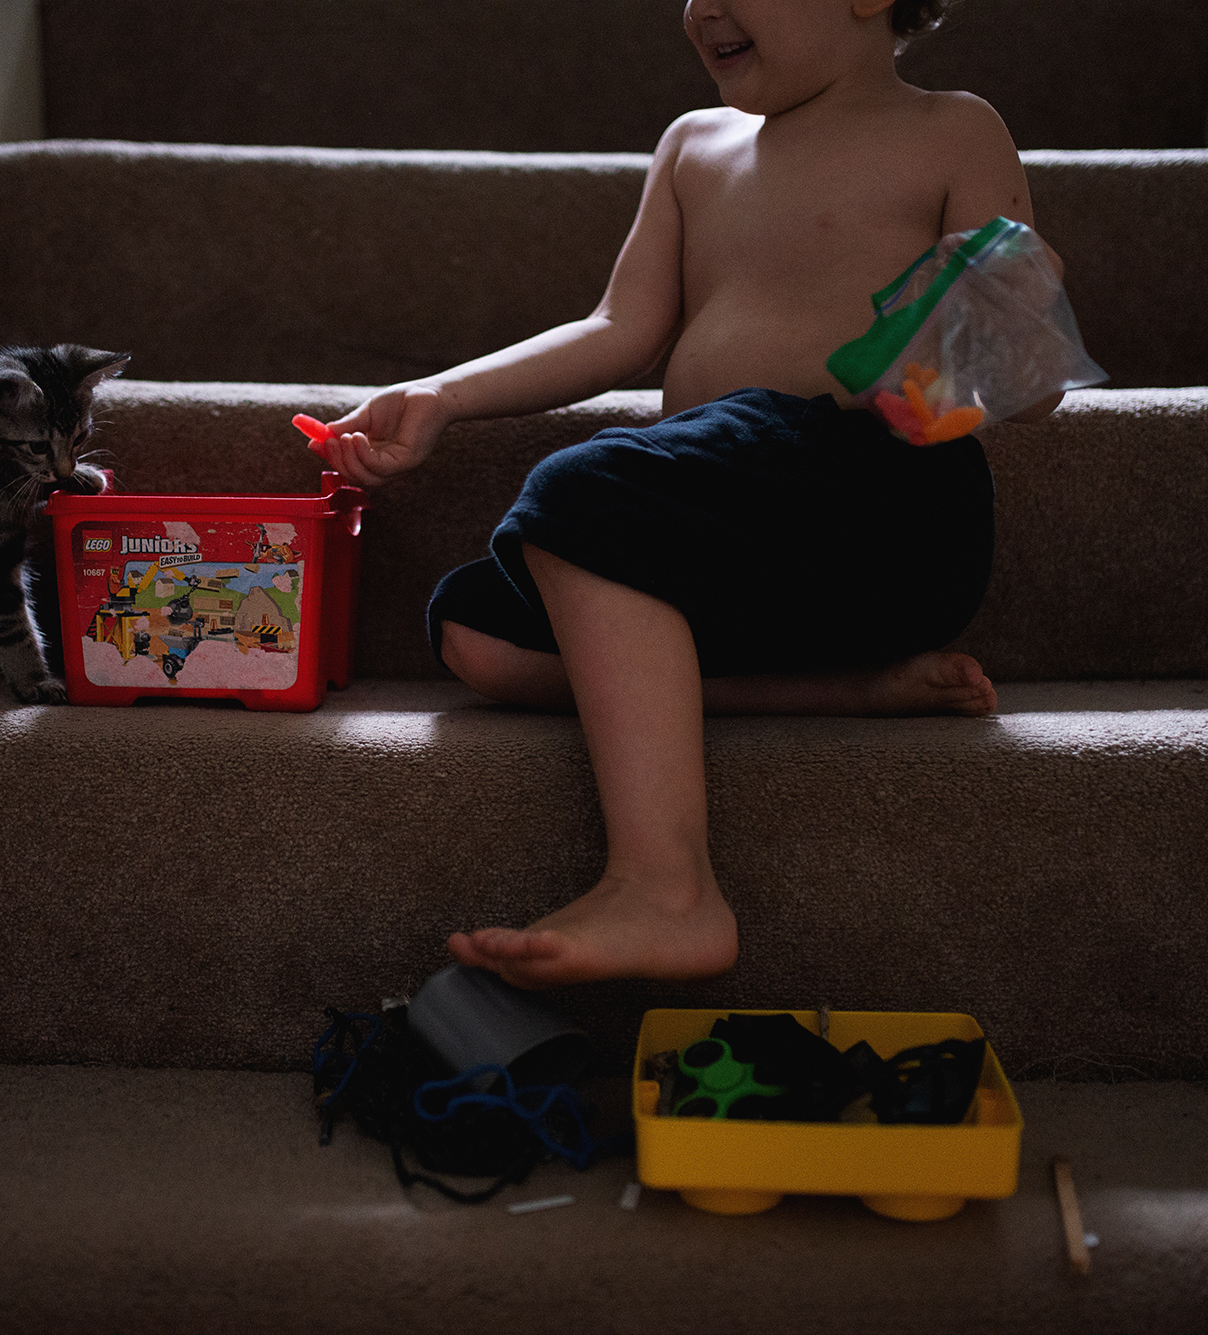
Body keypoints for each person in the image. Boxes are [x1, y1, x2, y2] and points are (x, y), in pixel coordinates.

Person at [315, 0, 1063, 988]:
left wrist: (1003, 316)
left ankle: (666, 887)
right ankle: (837, 693)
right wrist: (444, 396)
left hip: (876, 500)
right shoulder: (692, 145)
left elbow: (1031, 387)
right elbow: (620, 328)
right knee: (475, 631)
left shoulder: (949, 129)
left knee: (579, 493)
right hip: (713, 522)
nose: (702, 6)